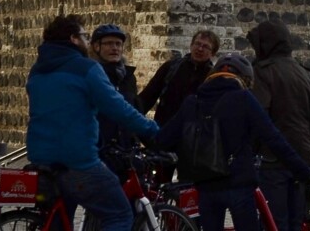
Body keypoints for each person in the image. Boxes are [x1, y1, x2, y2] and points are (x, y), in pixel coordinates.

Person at [155, 53, 310, 231]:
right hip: (238, 184)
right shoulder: (243, 99)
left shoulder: (192, 102)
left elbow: (164, 139)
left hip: (206, 186)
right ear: (244, 78)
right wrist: (306, 174)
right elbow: (274, 139)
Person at [26, 14, 160, 231]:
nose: (87, 41)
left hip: (43, 158)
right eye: (84, 36)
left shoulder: (38, 69)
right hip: (77, 159)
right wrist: (152, 129)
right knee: (119, 214)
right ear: (73, 39)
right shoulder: (86, 68)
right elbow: (120, 109)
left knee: (61, 219)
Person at [247, 19, 310, 231]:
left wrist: (253, 147)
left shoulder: (262, 72)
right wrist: (303, 128)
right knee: (296, 221)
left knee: (274, 222)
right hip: (302, 155)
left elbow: (259, 116)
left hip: (273, 158)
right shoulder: (303, 73)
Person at [89, 24, 141, 176]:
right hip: (98, 149)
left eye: (118, 44)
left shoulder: (127, 77)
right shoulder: (90, 75)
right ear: (96, 47)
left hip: (124, 151)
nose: (115, 48)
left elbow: (135, 110)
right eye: (109, 43)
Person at [138, 29, 221, 125]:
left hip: (193, 134)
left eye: (206, 47)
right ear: (191, 45)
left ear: (213, 53)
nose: (200, 49)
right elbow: (147, 98)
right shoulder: (171, 68)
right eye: (197, 44)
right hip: (164, 129)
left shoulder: (213, 78)